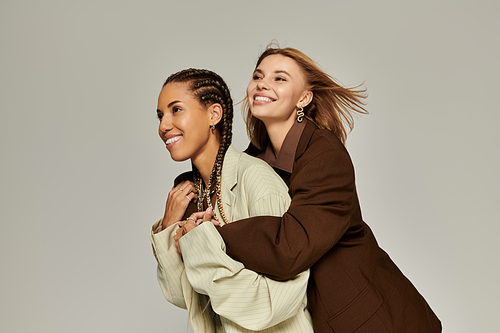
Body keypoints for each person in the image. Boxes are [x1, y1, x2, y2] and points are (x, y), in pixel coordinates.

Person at [183, 46, 442, 332]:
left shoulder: (325, 156)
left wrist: (213, 234)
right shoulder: (256, 162)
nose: (262, 83)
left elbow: (290, 247)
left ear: (304, 99)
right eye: (258, 76)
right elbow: (220, 193)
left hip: (370, 319)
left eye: (279, 78)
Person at [150, 68, 314, 332]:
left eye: (176, 110)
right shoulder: (194, 195)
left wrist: (199, 244)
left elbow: (274, 303)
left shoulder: (257, 180)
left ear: (214, 114)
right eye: (160, 116)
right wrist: (169, 227)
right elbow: (184, 297)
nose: (163, 126)